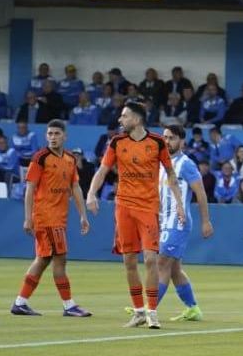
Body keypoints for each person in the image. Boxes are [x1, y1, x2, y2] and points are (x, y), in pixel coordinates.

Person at [85, 102, 184, 329]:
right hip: (124, 207)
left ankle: (152, 311)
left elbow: (170, 174)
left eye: (124, 116)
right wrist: (91, 193)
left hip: (148, 207)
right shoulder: (117, 142)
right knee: (129, 260)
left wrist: (178, 203)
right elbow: (102, 170)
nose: (120, 120)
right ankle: (139, 311)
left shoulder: (157, 142)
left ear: (137, 119)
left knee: (151, 259)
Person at [11, 126, 91, 325]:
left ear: (65, 136)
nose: (53, 137)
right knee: (59, 259)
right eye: (49, 134)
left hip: (59, 218)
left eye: (56, 134)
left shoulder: (70, 159)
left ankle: (20, 302)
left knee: (43, 259)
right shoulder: (40, 157)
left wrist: (83, 215)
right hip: (46, 217)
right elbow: (30, 188)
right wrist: (27, 217)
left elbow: (75, 187)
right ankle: (69, 305)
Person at [152, 125, 214, 321]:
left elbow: (200, 193)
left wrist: (206, 221)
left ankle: (148, 309)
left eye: (171, 138)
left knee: (161, 262)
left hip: (178, 222)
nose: (167, 141)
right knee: (174, 269)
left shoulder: (186, 164)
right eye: (165, 137)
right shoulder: (161, 163)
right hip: (162, 221)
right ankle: (193, 308)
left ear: (182, 141)